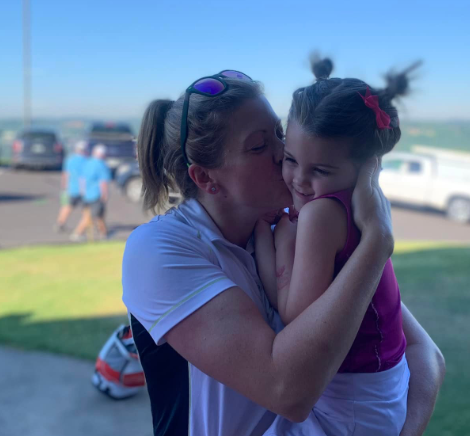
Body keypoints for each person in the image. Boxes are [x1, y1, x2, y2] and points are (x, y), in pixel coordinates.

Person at [122, 70, 445, 436]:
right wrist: (376, 242)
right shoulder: (160, 250)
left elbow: (424, 352)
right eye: (259, 146)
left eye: (279, 132)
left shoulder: (289, 230)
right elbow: (289, 392)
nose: (284, 153)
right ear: (206, 178)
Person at [255, 57, 420, 435]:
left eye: (320, 170)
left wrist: (272, 238)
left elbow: (296, 317)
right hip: (380, 389)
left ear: (365, 169)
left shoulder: (321, 214)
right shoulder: (359, 208)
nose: (299, 180)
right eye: (291, 160)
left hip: (353, 403)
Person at [70, 144, 111, 241]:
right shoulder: (101, 165)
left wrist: (82, 191)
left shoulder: (88, 163)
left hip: (86, 195)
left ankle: (104, 233)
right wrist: (105, 195)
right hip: (96, 195)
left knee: (99, 215)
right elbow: (103, 182)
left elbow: (82, 179)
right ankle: (77, 233)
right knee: (90, 216)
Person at [54, 140, 87, 232]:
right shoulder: (87, 161)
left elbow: (65, 174)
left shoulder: (70, 160)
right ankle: (82, 228)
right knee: (86, 210)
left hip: (71, 188)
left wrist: (64, 187)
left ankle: (60, 223)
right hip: (83, 190)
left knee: (67, 207)